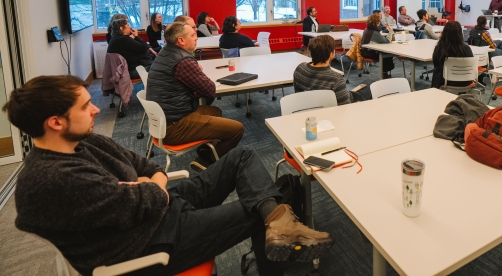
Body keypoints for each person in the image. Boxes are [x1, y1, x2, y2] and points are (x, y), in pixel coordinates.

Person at [6, 75, 333, 276]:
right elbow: (139, 202)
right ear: (55, 122)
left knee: (243, 156)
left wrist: (149, 186)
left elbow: (148, 170)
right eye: (85, 106)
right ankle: (280, 232)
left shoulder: (86, 141)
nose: (95, 110)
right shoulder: (49, 180)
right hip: (152, 242)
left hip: (164, 210)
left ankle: (281, 226)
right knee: (259, 211)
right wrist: (148, 190)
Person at [148, 22, 245, 171]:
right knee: (237, 129)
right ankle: (209, 162)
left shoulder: (165, 53)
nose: (196, 38)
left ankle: (207, 151)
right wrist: (197, 81)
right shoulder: (183, 60)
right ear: (181, 40)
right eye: (193, 35)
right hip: (174, 126)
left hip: (164, 120)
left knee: (215, 111)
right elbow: (210, 90)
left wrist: (194, 87)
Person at [293, 34, 358, 105]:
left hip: (307, 107)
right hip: (329, 110)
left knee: (356, 92)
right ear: (331, 54)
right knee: (366, 89)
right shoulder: (336, 79)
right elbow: (345, 108)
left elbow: (298, 95)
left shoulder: (300, 68)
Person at [431, 21, 475, 89]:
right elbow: (471, 64)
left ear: (445, 32)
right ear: (460, 33)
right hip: (466, 81)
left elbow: (435, 64)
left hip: (445, 81)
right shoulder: (466, 48)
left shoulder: (440, 48)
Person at [361, 13, 395, 79]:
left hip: (364, 51)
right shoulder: (374, 32)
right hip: (368, 52)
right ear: (376, 22)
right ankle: (385, 73)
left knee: (385, 53)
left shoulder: (367, 29)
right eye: (379, 21)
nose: (380, 23)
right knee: (386, 54)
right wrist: (390, 30)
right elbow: (387, 41)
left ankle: (385, 72)